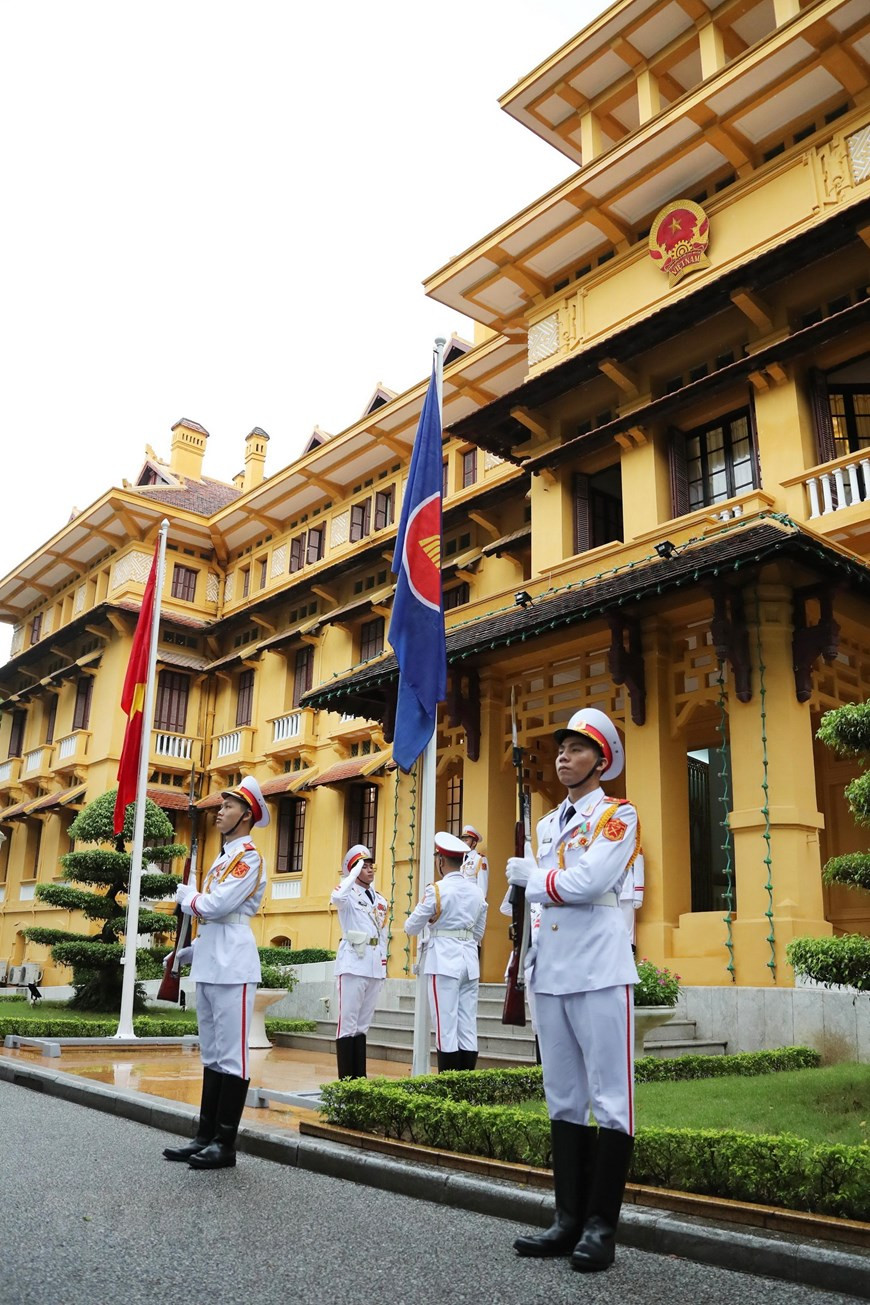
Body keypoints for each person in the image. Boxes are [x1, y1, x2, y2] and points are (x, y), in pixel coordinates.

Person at [506, 707, 640, 1272]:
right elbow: (546, 905)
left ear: (601, 759)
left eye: (578, 749)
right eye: (560, 748)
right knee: (562, 1097)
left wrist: (529, 878)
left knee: (611, 1101)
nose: (564, 756)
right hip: (553, 972)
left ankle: (600, 1227)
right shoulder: (545, 823)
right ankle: (566, 1220)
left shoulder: (618, 814)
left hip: (601, 969)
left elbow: (587, 883)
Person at [162, 776, 268, 1170]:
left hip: (234, 964)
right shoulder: (224, 858)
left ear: (246, 816)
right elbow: (211, 918)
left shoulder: (248, 857)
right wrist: (185, 954)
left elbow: (217, 907)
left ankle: (225, 1144)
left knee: (233, 1056)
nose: (219, 812)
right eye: (220, 806)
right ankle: (204, 1136)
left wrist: (187, 897)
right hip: (211, 960)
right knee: (212, 1054)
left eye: (227, 807)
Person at [404, 831, 487, 1071]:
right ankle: (467, 1083)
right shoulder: (476, 891)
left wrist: (433, 922)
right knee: (467, 1025)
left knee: (445, 1025)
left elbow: (411, 927)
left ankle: (449, 1085)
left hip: (443, 961)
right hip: (469, 961)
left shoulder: (436, 890)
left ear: (441, 861)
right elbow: (479, 932)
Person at [330, 844, 389, 1079]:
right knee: (348, 1025)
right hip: (353, 963)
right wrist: (351, 875)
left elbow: (383, 934)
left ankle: (359, 1080)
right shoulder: (347, 894)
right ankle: (346, 1082)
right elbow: (336, 896)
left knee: (362, 1026)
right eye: (363, 866)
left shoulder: (380, 899)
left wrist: (384, 963)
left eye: (370, 865)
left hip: (374, 964)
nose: (369, 869)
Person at [459, 823, 489, 900]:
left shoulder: (479, 859)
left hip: (472, 901)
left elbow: (482, 887)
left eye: (466, 840)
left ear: (474, 843)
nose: (463, 842)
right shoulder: (461, 859)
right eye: (462, 840)